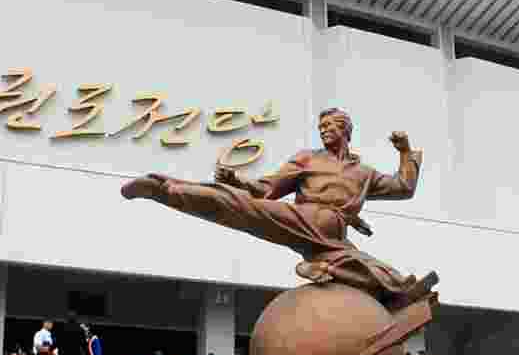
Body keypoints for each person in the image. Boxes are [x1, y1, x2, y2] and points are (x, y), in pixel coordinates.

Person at [121, 108, 428, 308]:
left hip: (333, 238)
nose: (323, 131)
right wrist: (238, 180)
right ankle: (165, 188)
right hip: (302, 219)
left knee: (386, 278)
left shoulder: (364, 173)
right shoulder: (307, 159)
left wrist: (404, 152)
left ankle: (325, 268)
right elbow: (268, 189)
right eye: (320, 127)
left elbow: (404, 188)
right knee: (238, 204)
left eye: (328, 126)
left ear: (345, 130)